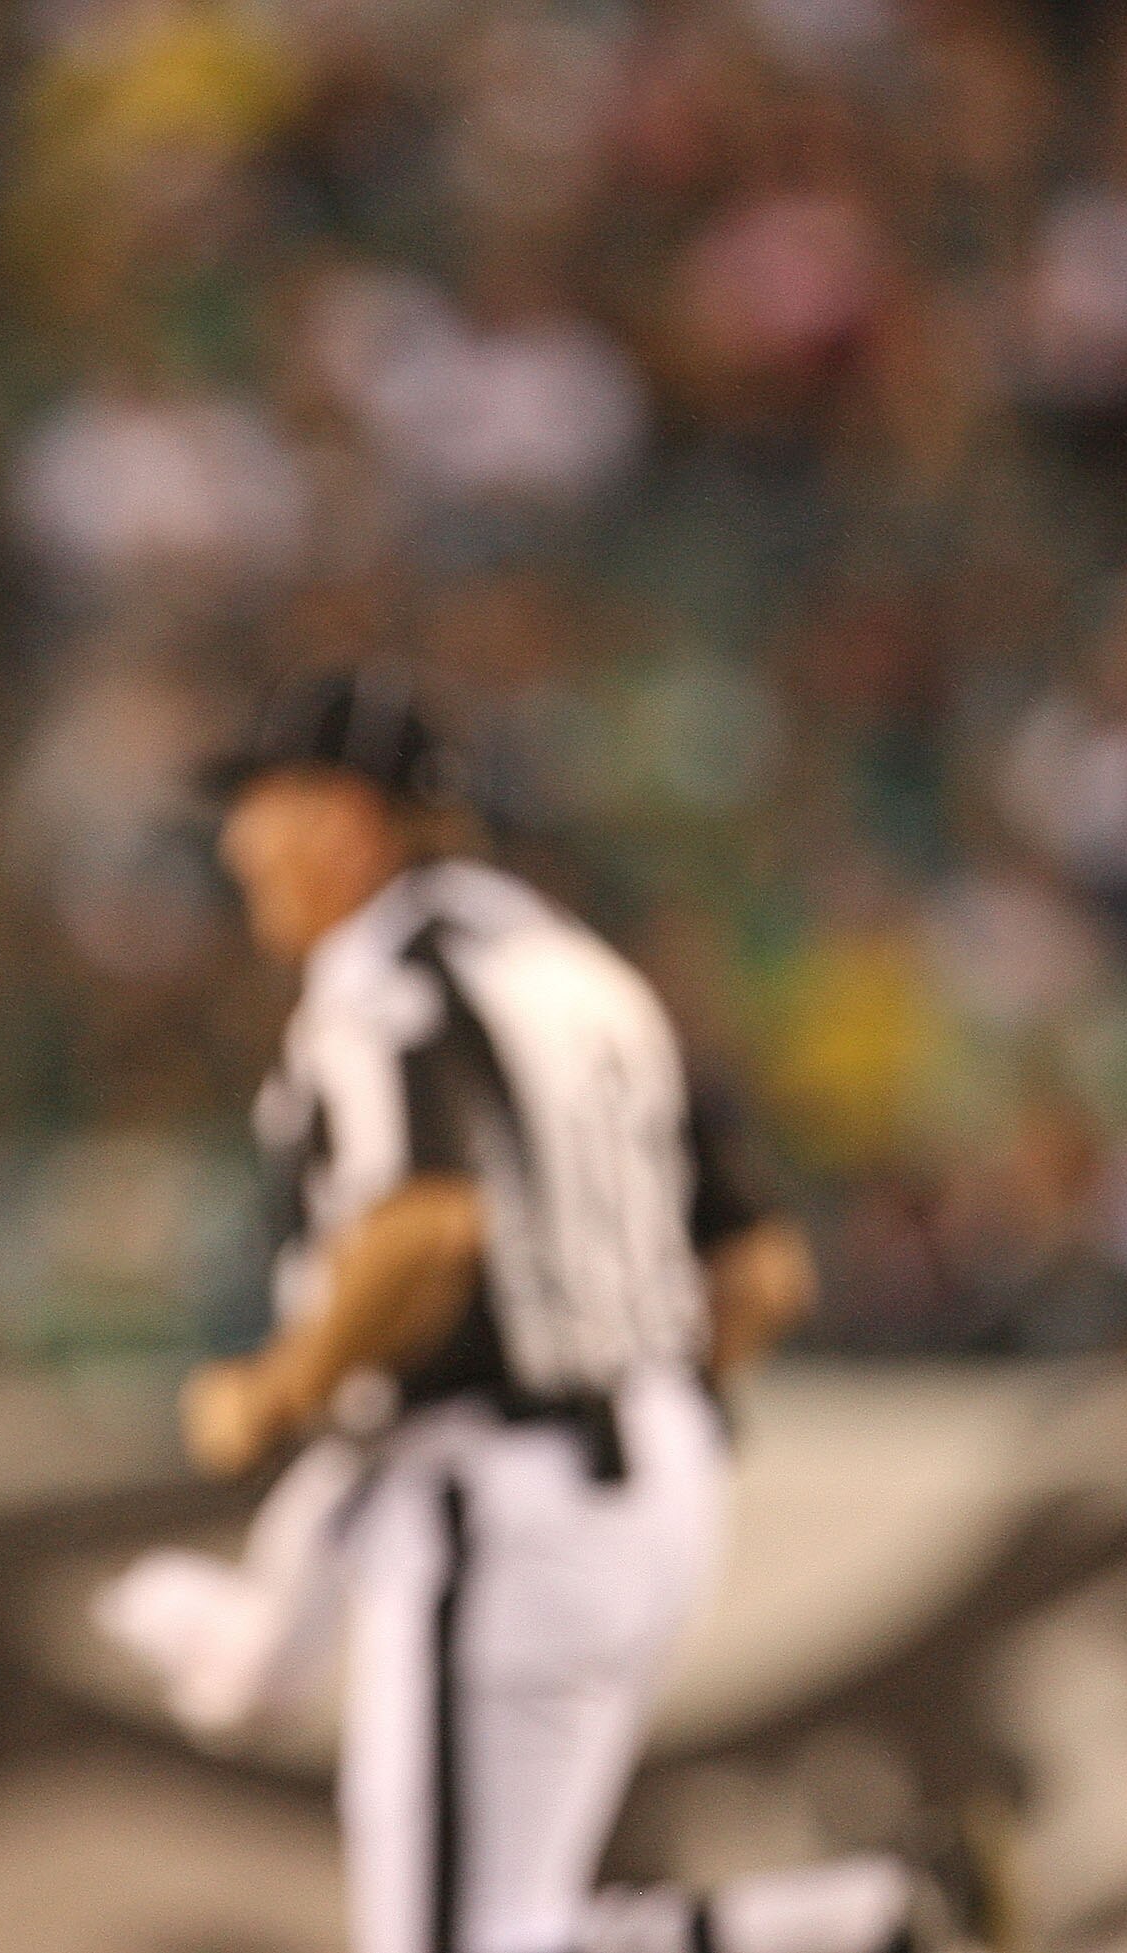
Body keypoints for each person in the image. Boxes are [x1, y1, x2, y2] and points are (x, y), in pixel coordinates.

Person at [158, 670, 971, 1953]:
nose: (237, 842)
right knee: (506, 1933)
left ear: (348, 821)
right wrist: (650, 1419)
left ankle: (869, 1929)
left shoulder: (381, 984)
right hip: (651, 1484)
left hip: (501, 1496)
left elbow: (427, 1226)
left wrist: (275, 1389)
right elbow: (763, 1273)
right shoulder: (587, 973)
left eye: (263, 804)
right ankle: (876, 1924)